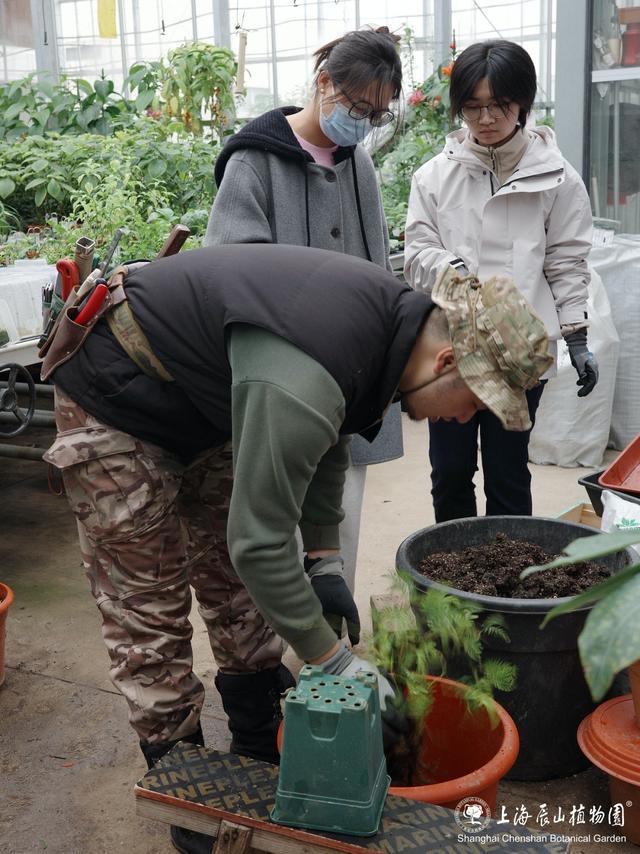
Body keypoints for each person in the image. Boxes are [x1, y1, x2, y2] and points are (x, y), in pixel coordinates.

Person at [42, 243, 551, 854]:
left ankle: (256, 745)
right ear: (446, 360)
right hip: (116, 393)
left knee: (240, 592)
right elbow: (258, 542)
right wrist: (332, 659)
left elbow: (329, 439)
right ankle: (183, 786)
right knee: (149, 607)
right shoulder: (309, 368)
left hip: (207, 398)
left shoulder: (388, 330)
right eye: (474, 404)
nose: (463, 419)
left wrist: (324, 559)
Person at [204, 26, 403, 597]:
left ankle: (328, 631)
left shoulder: (357, 164)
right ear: (323, 83)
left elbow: (377, 266)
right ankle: (298, 648)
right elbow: (231, 272)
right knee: (276, 524)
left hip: (354, 382)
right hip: (285, 387)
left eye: (377, 115)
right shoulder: (255, 160)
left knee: (340, 516)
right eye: (358, 106)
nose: (363, 123)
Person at [404, 39, 599, 523]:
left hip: (521, 350)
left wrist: (577, 337)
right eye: (472, 107)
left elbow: (567, 262)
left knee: (508, 469)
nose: (486, 118)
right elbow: (417, 253)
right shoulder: (433, 177)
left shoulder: (558, 179)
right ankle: (450, 576)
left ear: (523, 103)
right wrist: (457, 273)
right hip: (452, 347)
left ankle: (510, 582)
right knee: (448, 469)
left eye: (499, 105)